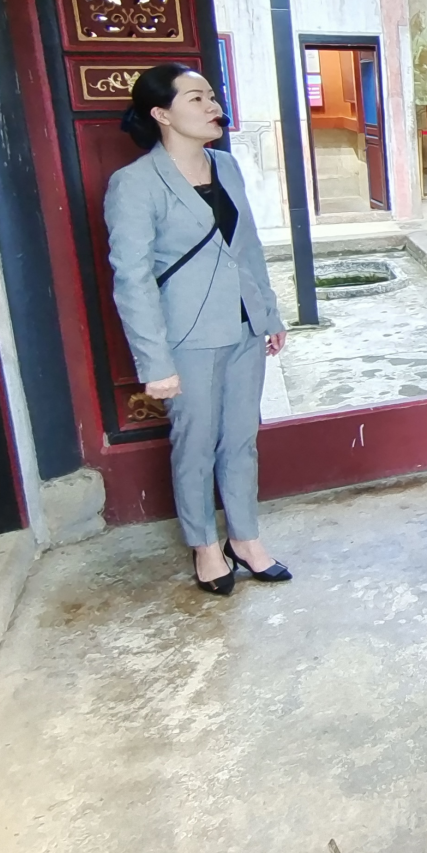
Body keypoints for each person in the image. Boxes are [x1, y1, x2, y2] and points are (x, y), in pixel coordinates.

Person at [105, 63, 293, 596]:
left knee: (241, 439)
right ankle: (205, 546)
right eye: (196, 98)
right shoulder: (135, 183)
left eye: (212, 96)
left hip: (244, 327)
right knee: (195, 444)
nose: (213, 106)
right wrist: (155, 363)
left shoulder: (226, 166)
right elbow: (132, 279)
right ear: (161, 114)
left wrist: (268, 314)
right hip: (187, 337)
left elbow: (248, 249)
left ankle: (246, 539)